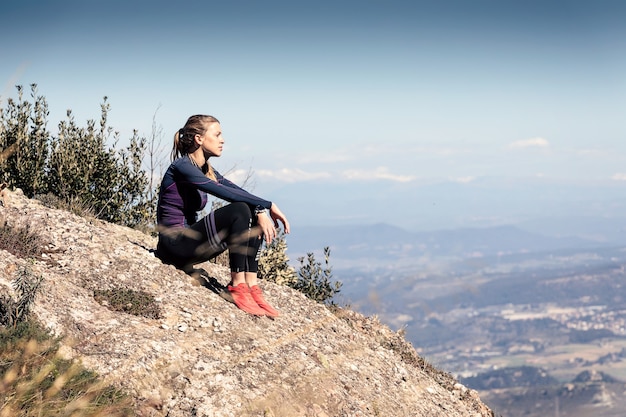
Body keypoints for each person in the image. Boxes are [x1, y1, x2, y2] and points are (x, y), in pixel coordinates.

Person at [155, 114, 290, 317]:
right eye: (217, 134)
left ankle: (251, 285)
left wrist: (262, 209)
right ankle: (237, 286)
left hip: (189, 248)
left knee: (249, 208)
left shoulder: (205, 169)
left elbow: (236, 190)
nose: (222, 140)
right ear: (199, 139)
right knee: (240, 209)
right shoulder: (182, 167)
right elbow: (224, 194)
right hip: (174, 246)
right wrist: (267, 206)